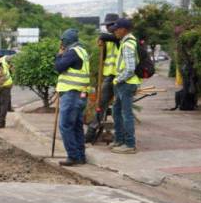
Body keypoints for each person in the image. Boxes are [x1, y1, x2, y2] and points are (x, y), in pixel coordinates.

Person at [54, 29, 90, 166]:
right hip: (81, 93)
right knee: (76, 126)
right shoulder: (83, 51)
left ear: (66, 41)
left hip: (72, 94)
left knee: (66, 126)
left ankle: (73, 156)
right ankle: (80, 156)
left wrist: (59, 55)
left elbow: (58, 67)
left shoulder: (72, 52)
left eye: (62, 41)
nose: (61, 43)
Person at [85, 13, 119, 142]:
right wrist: (102, 47)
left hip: (120, 77)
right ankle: (91, 132)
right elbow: (105, 57)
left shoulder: (121, 37)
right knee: (101, 103)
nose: (108, 28)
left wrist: (102, 37)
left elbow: (114, 39)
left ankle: (120, 135)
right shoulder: (109, 39)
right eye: (107, 26)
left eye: (110, 25)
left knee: (118, 107)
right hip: (109, 76)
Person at [110, 18, 141, 154]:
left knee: (126, 114)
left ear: (124, 29)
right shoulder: (125, 42)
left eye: (117, 29)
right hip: (124, 83)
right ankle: (120, 140)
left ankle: (129, 144)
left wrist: (118, 80)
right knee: (116, 112)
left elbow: (130, 69)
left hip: (126, 84)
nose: (115, 31)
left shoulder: (128, 44)